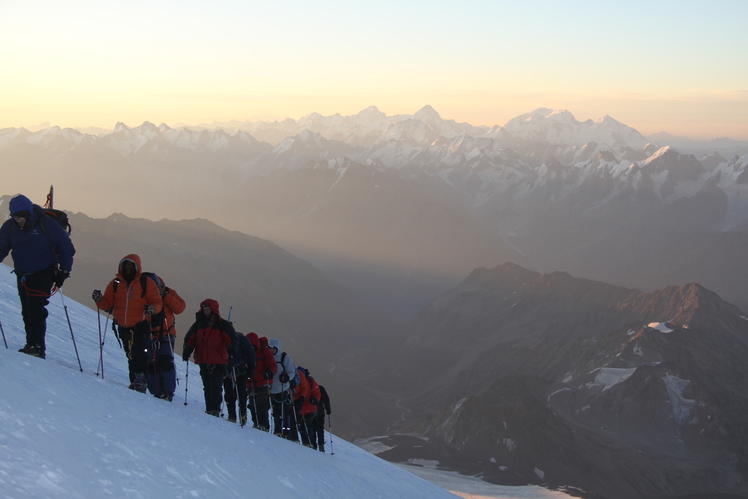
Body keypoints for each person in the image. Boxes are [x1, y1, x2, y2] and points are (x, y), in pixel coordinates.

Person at [0, 194, 75, 359]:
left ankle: (37, 347)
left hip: (43, 274)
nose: (18, 220)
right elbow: (2, 246)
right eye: (15, 217)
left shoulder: (46, 224)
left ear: (28, 213)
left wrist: (64, 271)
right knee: (27, 310)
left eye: (21, 217)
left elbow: (66, 247)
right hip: (22, 275)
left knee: (35, 309)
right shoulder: (10, 227)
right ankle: (32, 344)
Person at [92, 254, 163, 392]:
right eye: (126, 265)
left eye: (131, 265)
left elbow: (156, 301)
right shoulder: (116, 283)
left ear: (137, 267)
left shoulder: (145, 283)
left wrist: (153, 309)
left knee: (137, 352)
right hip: (123, 326)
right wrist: (99, 300)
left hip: (140, 324)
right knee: (131, 354)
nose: (128, 268)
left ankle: (139, 380)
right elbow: (107, 303)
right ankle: (137, 381)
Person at [182, 299, 236, 417]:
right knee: (207, 387)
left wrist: (232, 348)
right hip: (204, 360)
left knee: (215, 387)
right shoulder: (199, 325)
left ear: (213, 310)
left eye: (207, 309)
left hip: (218, 361)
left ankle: (215, 410)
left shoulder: (222, 325)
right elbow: (190, 339)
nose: (206, 311)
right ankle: (210, 409)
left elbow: (232, 339)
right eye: (204, 309)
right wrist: (187, 350)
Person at [144, 274, 186, 401]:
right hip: (152, 333)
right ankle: (157, 391)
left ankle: (166, 391)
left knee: (165, 361)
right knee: (153, 363)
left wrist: (165, 296)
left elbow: (180, 307)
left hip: (165, 333)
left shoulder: (167, 292)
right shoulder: (148, 294)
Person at [223, 331, 255, 425]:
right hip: (229, 370)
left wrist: (251, 367)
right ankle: (232, 416)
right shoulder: (223, 339)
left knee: (241, 394)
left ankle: (242, 415)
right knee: (229, 394)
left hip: (240, 371)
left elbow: (250, 353)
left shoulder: (241, 340)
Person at [246, 333, 277, 431]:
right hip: (251, 382)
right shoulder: (247, 352)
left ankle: (263, 425)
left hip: (264, 382)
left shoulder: (264, 352)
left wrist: (269, 373)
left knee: (262, 404)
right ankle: (257, 423)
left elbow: (273, 365)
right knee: (252, 404)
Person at [268, 338, 297, 439]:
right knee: (276, 411)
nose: (270, 350)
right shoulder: (268, 357)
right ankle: (277, 430)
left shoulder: (284, 358)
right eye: (269, 348)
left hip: (282, 389)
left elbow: (291, 372)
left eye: (272, 348)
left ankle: (285, 431)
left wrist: (286, 378)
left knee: (283, 411)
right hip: (271, 389)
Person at [293, 366, 321, 448]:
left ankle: (309, 442)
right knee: (305, 426)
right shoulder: (308, 381)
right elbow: (317, 392)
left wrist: (315, 399)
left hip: (308, 408)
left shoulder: (309, 381)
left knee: (307, 426)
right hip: (304, 408)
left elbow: (317, 392)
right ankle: (308, 442)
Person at [312, 384, 331, 453]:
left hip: (310, 413)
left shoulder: (308, 387)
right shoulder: (320, 388)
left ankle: (313, 445)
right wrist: (328, 409)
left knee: (312, 429)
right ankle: (321, 445)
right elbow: (326, 399)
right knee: (320, 429)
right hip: (320, 413)